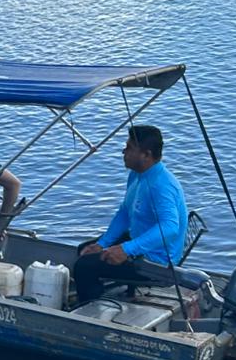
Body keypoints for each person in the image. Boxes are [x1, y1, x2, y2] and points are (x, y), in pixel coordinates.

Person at [72, 124, 188, 303]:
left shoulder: (162, 186)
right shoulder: (137, 175)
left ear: (146, 155)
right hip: (139, 238)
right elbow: (125, 213)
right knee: (85, 250)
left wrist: (127, 249)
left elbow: (170, 227)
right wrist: (102, 243)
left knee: (84, 266)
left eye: (129, 148)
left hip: (156, 261)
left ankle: (89, 309)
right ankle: (101, 293)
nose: (123, 151)